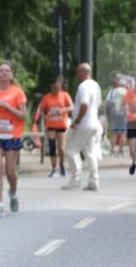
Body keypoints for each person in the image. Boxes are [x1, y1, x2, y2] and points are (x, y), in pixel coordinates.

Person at [0, 60, 27, 217]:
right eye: (1, 70)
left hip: (12, 135)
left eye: (7, 70)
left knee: (10, 171)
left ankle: (12, 193)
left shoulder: (17, 93)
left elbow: (23, 115)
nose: (4, 73)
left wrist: (7, 106)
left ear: (11, 74)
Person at [62, 63, 102, 191]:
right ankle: (94, 180)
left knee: (70, 150)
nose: (77, 75)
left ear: (84, 73)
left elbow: (84, 105)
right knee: (90, 153)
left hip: (83, 124)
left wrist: (77, 121)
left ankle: (76, 179)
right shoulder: (95, 85)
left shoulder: (83, 87)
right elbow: (97, 104)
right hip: (94, 124)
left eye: (78, 73)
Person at [33, 77, 73, 177]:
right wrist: (44, 116)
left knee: (61, 148)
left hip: (61, 124)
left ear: (61, 87)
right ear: (51, 87)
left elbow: (72, 106)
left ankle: (62, 166)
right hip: (50, 124)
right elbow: (41, 110)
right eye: (54, 88)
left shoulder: (65, 95)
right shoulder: (47, 97)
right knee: (52, 146)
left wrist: (63, 110)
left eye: (58, 87)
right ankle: (54, 168)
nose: (56, 89)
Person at [106, 75, 128, 155]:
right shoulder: (126, 91)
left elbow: (108, 102)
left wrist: (108, 115)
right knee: (123, 132)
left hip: (114, 113)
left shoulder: (113, 91)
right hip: (124, 113)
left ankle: (112, 150)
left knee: (114, 132)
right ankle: (121, 150)